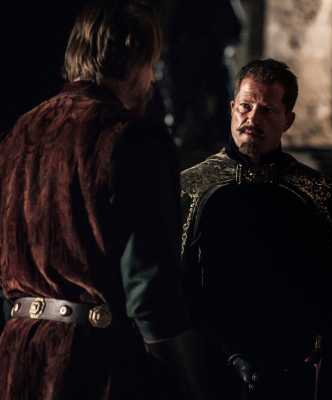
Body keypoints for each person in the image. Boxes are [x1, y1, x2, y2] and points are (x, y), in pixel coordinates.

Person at [0, 1, 213, 399]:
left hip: (17, 360)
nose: (153, 79)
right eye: (152, 64)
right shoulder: (132, 138)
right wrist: (189, 382)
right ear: (134, 60)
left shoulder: (19, 134)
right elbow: (150, 292)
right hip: (95, 369)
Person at [179, 58, 332, 399]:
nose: (252, 119)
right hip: (209, 366)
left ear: (287, 120)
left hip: (293, 368)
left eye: (267, 110)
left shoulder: (319, 195)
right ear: (232, 108)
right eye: (246, 107)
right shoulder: (190, 189)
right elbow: (169, 288)